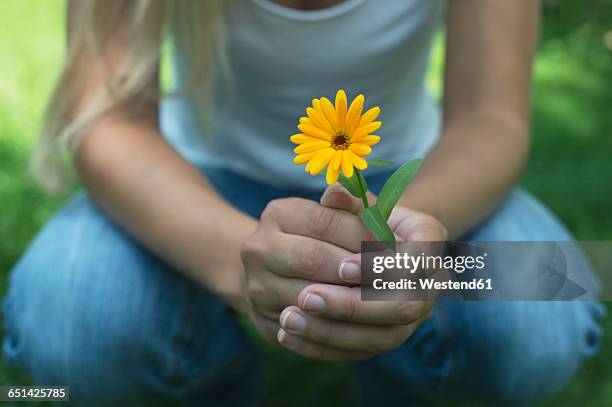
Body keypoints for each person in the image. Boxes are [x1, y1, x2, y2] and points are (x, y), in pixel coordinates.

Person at [3, 0, 604, 405]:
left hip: (411, 185)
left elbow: (490, 118)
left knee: (545, 301)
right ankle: (217, 382)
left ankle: (398, 377)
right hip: (191, 185)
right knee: (74, 311)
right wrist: (240, 263)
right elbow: (107, 120)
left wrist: (402, 244)